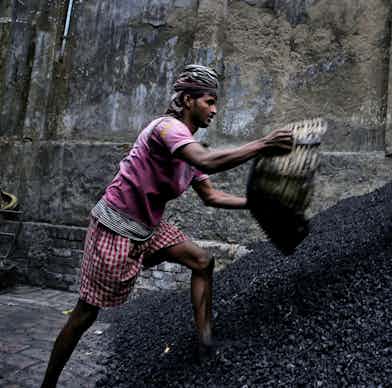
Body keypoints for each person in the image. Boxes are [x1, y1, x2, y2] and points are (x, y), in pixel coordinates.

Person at [41, 64, 293, 388]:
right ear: (188, 100)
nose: (215, 110)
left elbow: (211, 195)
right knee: (85, 314)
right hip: (115, 227)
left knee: (202, 261)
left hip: (148, 229)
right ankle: (48, 384)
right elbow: (206, 161)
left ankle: (205, 343)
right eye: (209, 102)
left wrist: (257, 203)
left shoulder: (187, 147)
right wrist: (264, 144)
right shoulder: (166, 129)